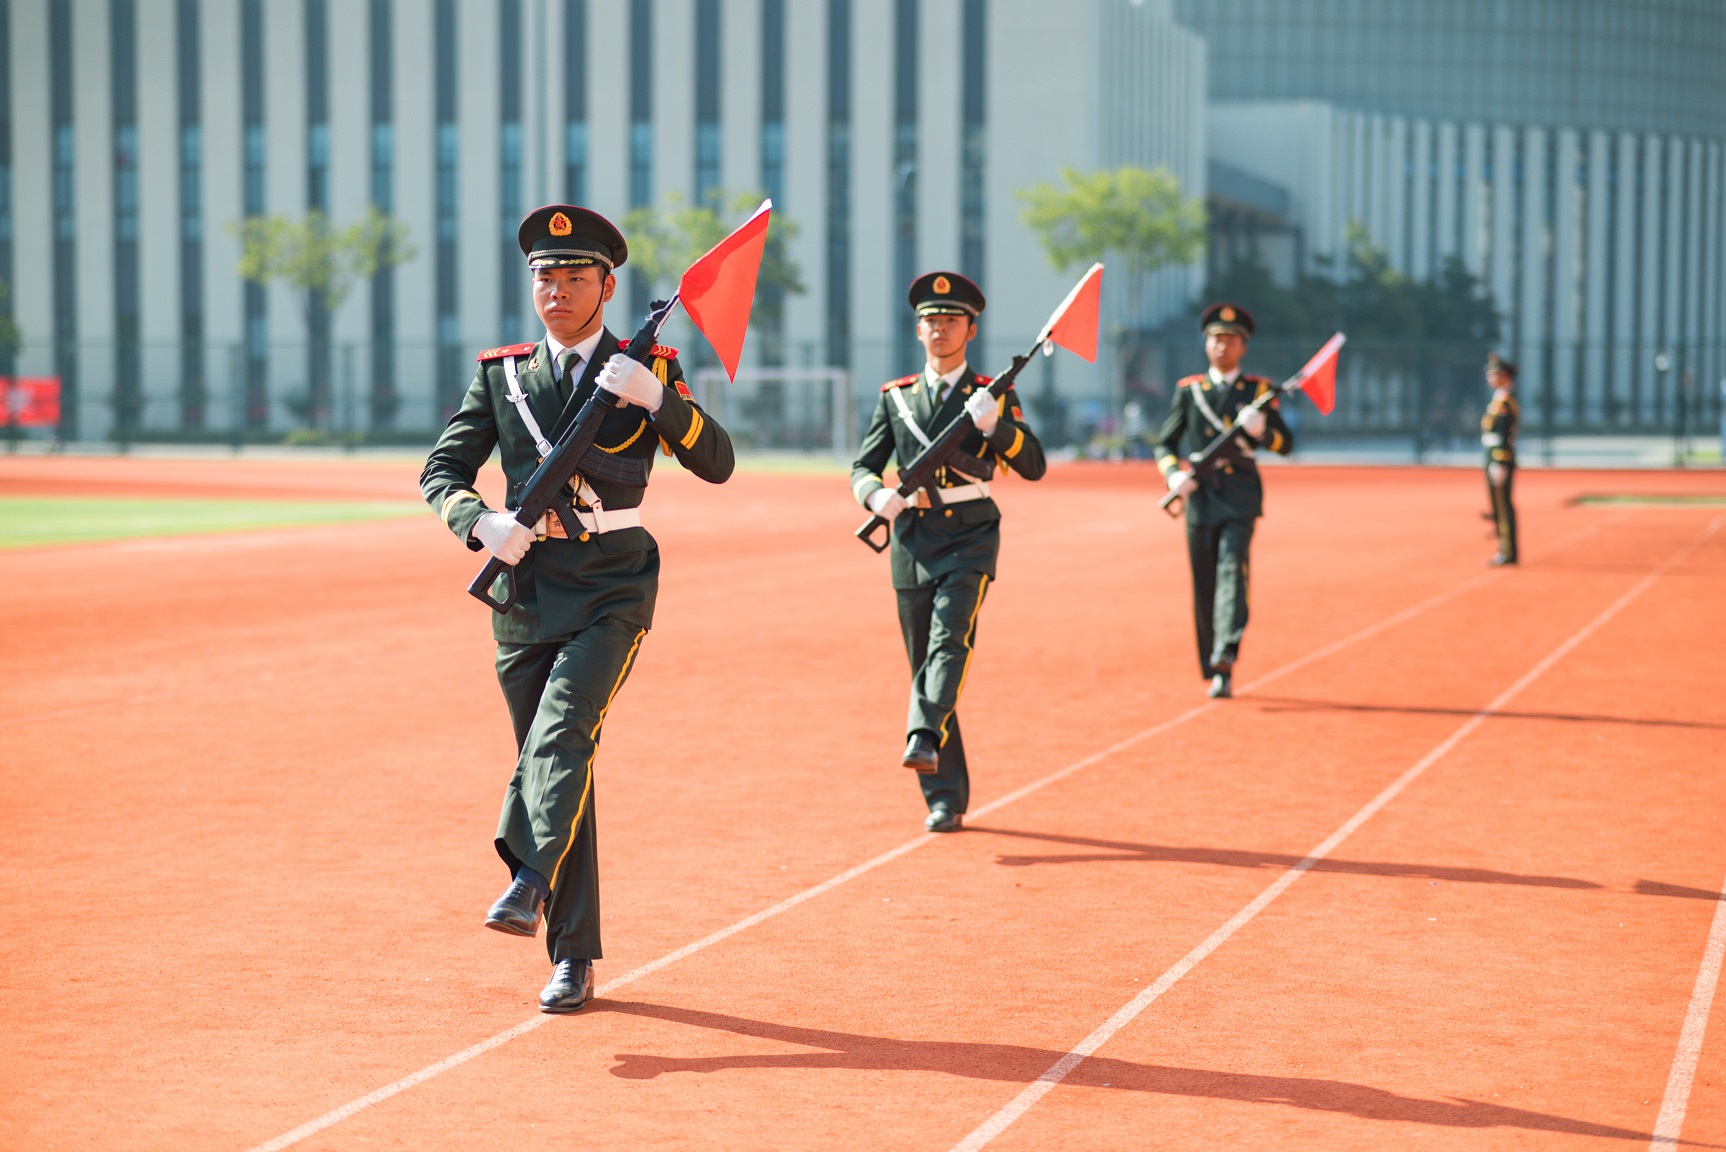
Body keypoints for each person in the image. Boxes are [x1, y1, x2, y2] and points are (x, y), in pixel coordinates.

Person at [420, 205, 734, 1012]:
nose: (555, 291)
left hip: (611, 584)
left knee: (561, 734)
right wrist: (478, 522)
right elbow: (440, 471)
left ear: (608, 286)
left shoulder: (648, 364)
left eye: (572, 276)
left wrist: (658, 400)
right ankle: (574, 956)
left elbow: (717, 461)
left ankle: (527, 880)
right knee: (559, 767)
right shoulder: (502, 374)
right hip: (524, 594)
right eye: (544, 278)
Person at [850, 272, 1046, 832]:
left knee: (949, 639)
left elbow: (1033, 464)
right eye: (931, 320)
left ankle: (922, 734)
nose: (940, 328)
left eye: (951, 320)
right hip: (912, 538)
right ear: (918, 330)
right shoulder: (895, 396)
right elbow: (864, 465)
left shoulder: (992, 393)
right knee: (927, 666)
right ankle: (944, 796)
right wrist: (875, 495)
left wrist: (997, 427)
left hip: (969, 535)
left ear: (971, 329)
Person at [1154, 303, 1294, 699]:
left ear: (1243, 347)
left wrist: (1261, 431)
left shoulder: (1258, 392)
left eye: (1231, 340)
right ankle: (1212, 666)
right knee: (1204, 583)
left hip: (1239, 495)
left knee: (1233, 570)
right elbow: (1165, 442)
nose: (1223, 346)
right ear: (1206, 344)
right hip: (1201, 497)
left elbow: (1285, 445)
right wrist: (1173, 473)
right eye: (1216, 339)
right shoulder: (1189, 390)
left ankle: (1226, 652)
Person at [1481, 354, 1520, 566]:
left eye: (1494, 373)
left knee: (1503, 506)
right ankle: (1503, 547)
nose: (1490, 377)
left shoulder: (1505, 401)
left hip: (1500, 457)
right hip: (1493, 455)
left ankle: (1508, 551)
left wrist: (1499, 460)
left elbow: (1504, 434)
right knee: (1498, 505)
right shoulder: (1499, 398)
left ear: (1504, 376)